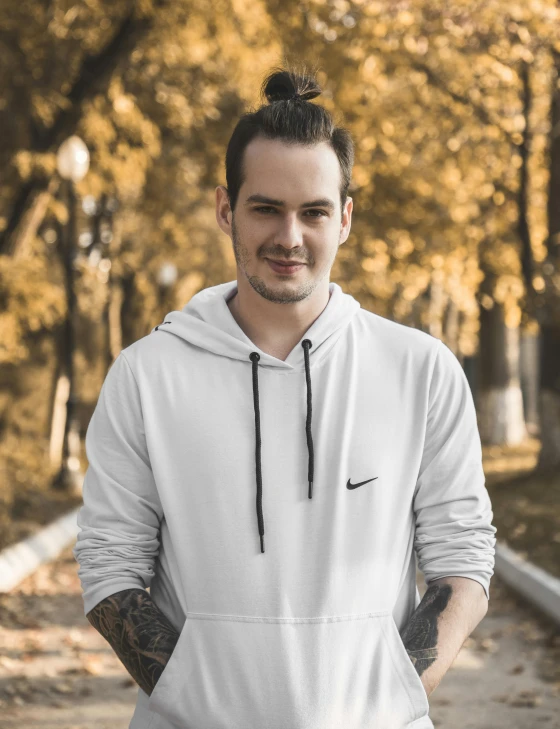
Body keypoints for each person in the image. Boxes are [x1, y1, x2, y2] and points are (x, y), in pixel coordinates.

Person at [73, 65, 497, 729]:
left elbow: (462, 561)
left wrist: (390, 692)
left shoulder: (422, 370)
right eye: (266, 208)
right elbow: (109, 566)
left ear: (345, 218)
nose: (289, 237)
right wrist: (194, 695)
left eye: (314, 212)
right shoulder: (146, 375)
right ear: (225, 209)